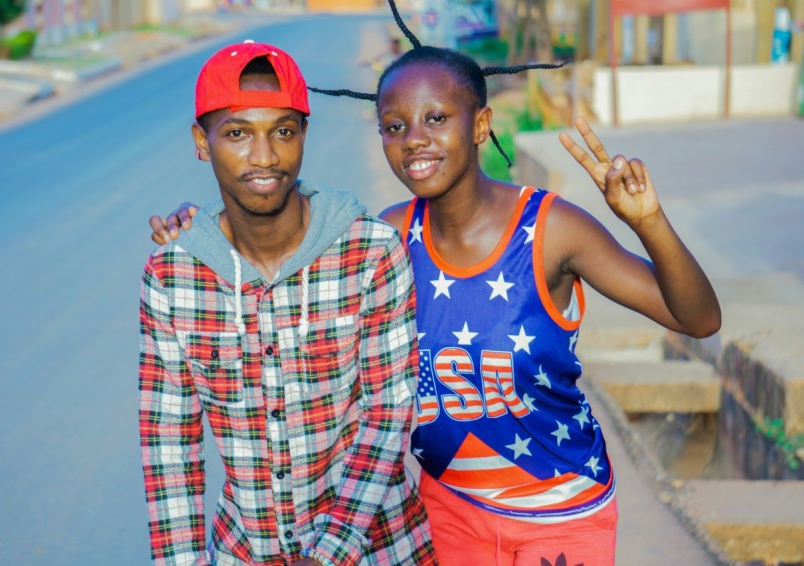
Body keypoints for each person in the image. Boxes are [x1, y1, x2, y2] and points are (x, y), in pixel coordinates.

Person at [151, 27, 721, 566]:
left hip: (561, 511)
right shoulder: (385, 239)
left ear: (480, 124)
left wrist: (648, 222)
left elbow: (698, 319)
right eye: (394, 126)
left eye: (436, 118)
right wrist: (198, 231)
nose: (415, 139)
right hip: (448, 513)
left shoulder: (549, 230)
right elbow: (290, 218)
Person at [138, 40, 436, 566]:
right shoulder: (173, 277)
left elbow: (387, 414)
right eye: (236, 133)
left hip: (378, 546)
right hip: (246, 549)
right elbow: (170, 452)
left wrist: (327, 555)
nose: (264, 156)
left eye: (282, 131)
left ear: (303, 135)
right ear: (201, 142)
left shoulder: (368, 252)